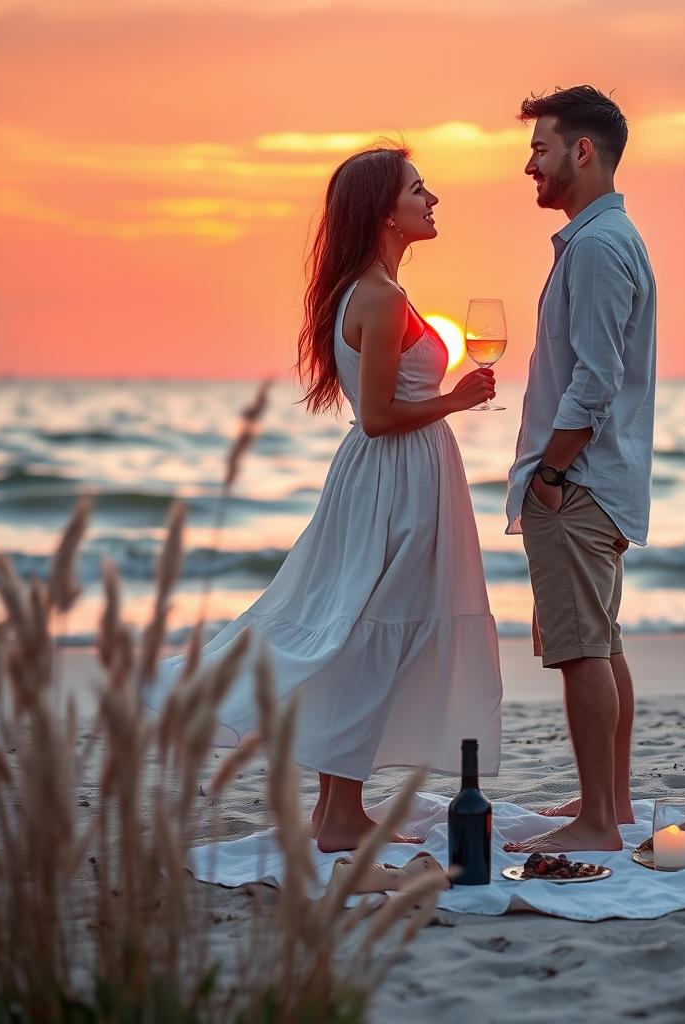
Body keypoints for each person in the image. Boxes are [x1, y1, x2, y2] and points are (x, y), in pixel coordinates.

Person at [145, 146, 503, 853]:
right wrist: (455, 400)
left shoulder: (369, 290)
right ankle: (338, 814)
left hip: (394, 476)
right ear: (382, 211)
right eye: (417, 190)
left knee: (364, 632)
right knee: (366, 635)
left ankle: (342, 808)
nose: (432, 201)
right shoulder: (379, 296)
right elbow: (376, 416)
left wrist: (443, 402)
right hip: (396, 479)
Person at [503, 86, 657, 854]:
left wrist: (551, 474)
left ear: (582, 151)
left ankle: (598, 819)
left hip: (580, 484)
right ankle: (614, 803)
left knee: (581, 651)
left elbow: (595, 379)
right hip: (600, 481)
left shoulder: (597, 247)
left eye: (540, 148)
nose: (529, 164)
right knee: (602, 642)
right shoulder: (605, 239)